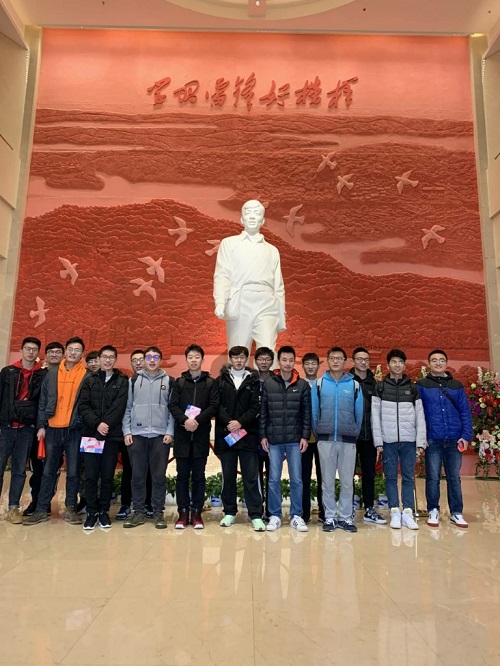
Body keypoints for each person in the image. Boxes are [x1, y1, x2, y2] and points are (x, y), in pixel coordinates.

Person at [24, 337, 87, 526]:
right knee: (48, 470)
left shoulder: (87, 375)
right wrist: (41, 426)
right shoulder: (51, 373)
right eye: (70, 349)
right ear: (66, 351)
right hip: (52, 428)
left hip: (75, 430)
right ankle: (41, 509)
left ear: (82, 354)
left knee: (73, 471)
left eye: (77, 350)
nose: (73, 353)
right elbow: (43, 401)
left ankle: (71, 509)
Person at [213, 199, 286, 352]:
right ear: (242, 219)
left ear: (263, 220)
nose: (252, 216)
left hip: (267, 302)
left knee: (268, 352)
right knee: (238, 352)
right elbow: (222, 275)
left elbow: (278, 286)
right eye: (248, 213)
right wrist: (220, 301)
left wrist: (281, 316)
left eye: (257, 213)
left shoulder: (272, 250)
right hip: (241, 300)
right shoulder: (229, 244)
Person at [371, 349, 427, 530]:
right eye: (394, 362)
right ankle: (395, 512)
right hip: (388, 441)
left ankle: (408, 513)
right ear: (388, 365)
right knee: (390, 477)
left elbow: (420, 416)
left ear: (404, 365)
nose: (397, 365)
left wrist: (420, 441)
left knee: (409, 477)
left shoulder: (413, 388)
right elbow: (375, 416)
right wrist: (378, 441)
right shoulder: (380, 387)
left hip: (409, 440)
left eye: (400, 362)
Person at [417, 350, 472, 528]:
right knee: (433, 477)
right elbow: (418, 413)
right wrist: (421, 437)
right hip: (433, 439)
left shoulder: (456, 386)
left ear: (446, 363)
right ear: (429, 364)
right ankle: (433, 510)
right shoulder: (421, 385)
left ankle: (456, 512)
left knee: (454, 478)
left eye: (441, 360)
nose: (438, 363)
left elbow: (465, 412)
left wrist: (466, 436)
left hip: (455, 439)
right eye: (434, 360)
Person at [311, 347, 363, 533]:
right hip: (325, 440)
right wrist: (320, 432)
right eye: (332, 358)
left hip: (348, 440)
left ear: (345, 361)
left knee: (347, 481)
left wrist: (353, 433)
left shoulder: (354, 385)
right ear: (327, 360)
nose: (335, 361)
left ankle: (346, 517)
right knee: (327, 481)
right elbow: (314, 413)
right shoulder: (319, 384)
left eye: (339, 358)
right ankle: (330, 517)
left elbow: (359, 414)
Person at [121, 346, 174, 529]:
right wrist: (127, 431)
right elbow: (127, 408)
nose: (152, 360)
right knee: (137, 476)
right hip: (137, 435)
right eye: (148, 357)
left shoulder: (169, 381)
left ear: (161, 360)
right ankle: (139, 512)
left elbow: (172, 410)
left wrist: (170, 431)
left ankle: (158, 512)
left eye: (155, 357)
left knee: (158, 477)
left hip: (160, 436)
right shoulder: (134, 380)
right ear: (143, 360)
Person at [260, 345, 311, 533]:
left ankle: (296, 515)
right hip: (274, 439)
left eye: (291, 360)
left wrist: (305, 436)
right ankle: (275, 515)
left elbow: (306, 413)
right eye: (284, 360)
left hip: (294, 440)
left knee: (297, 479)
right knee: (273, 479)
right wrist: (263, 435)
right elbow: (263, 412)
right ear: (278, 361)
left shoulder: (302, 385)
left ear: (294, 362)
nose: (288, 363)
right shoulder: (269, 383)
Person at [79, 345, 128, 530]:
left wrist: (105, 424)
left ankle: (104, 511)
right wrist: (97, 424)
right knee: (91, 476)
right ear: (99, 359)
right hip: (91, 435)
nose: (107, 360)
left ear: (115, 359)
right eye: (104, 357)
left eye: (111, 357)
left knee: (107, 476)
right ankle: (92, 512)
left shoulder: (122, 380)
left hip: (111, 436)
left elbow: (119, 406)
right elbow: (83, 406)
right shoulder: (89, 380)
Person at [215, 345, 264, 531]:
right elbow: (216, 405)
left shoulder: (254, 381)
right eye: (235, 357)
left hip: (247, 435)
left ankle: (256, 514)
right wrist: (230, 423)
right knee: (228, 476)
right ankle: (229, 512)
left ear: (246, 359)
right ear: (230, 359)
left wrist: (240, 423)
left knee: (251, 477)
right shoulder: (220, 381)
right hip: (227, 434)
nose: (238, 360)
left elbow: (256, 407)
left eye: (242, 357)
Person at [169, 345, 219, 530]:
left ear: (202, 359)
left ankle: (197, 512)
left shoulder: (211, 383)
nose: (193, 360)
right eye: (190, 357)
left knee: (199, 476)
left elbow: (213, 406)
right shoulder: (179, 382)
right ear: (186, 359)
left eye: (197, 357)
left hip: (200, 436)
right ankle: (183, 512)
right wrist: (185, 421)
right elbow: (173, 405)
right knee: (182, 476)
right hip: (182, 436)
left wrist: (196, 421)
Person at [0, 337, 46, 524]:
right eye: (27, 348)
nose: (30, 352)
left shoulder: (42, 375)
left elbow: (43, 402)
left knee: (19, 470)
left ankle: (13, 508)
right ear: (22, 350)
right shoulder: (8, 371)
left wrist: (39, 425)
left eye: (34, 349)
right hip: (6, 427)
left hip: (27, 429)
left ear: (38, 352)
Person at [24, 341, 64, 517]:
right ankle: (35, 501)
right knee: (37, 468)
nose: (54, 355)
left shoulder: (66, 374)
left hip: (58, 428)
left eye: (58, 352)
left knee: (52, 467)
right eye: (51, 352)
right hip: (38, 427)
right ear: (46, 355)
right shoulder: (39, 375)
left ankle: (45, 502)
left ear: (62, 355)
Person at [349, 347, 386, 525]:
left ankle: (369, 509)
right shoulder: (347, 381)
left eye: (366, 359)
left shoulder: (376, 384)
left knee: (369, 474)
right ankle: (347, 509)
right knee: (347, 474)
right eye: (359, 359)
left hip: (370, 436)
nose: (363, 362)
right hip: (350, 436)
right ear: (353, 361)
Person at [116, 349, 154, 521]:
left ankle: (147, 504)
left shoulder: (154, 382)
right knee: (129, 470)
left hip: (149, 434)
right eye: (134, 360)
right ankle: (125, 504)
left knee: (149, 470)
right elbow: (124, 409)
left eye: (141, 360)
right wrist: (127, 431)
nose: (138, 363)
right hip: (130, 434)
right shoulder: (127, 383)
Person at [301, 352, 325, 524]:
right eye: (307, 364)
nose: (310, 367)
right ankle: (304, 512)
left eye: (313, 363)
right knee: (304, 476)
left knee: (323, 476)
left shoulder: (323, 385)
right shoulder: (299, 385)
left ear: (318, 365)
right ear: (303, 366)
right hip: (304, 439)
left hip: (322, 437)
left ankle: (324, 511)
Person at [254, 346, 274, 520]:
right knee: (256, 474)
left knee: (273, 475)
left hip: (272, 435)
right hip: (253, 435)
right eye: (261, 359)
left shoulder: (276, 381)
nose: (264, 362)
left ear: (272, 362)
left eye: (267, 359)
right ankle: (258, 509)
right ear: (256, 361)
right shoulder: (250, 381)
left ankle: (272, 510)